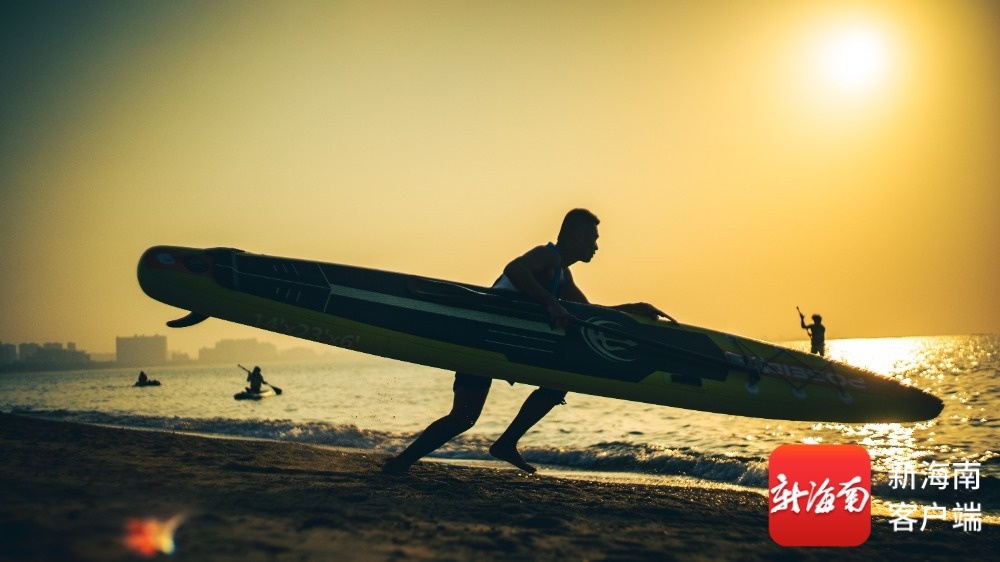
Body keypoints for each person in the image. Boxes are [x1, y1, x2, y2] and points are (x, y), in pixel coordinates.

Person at [382, 209, 672, 475]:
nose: (596, 247)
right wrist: (550, 303)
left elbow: (587, 313)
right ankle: (405, 462)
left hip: (501, 344)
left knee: (478, 412)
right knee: (464, 417)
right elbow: (515, 268)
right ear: (578, 236)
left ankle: (499, 445)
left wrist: (630, 309)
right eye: (593, 239)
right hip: (485, 338)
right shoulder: (547, 256)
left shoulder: (562, 273)